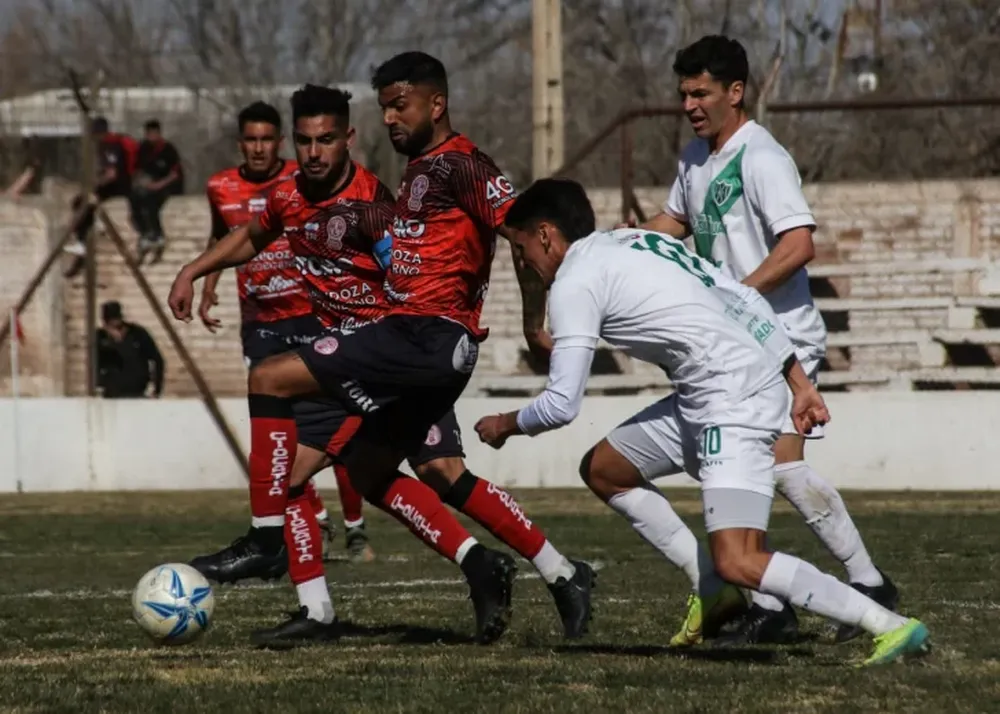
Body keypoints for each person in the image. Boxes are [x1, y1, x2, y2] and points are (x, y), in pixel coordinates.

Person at [168, 75, 592, 649]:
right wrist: (197, 268)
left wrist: (459, 322)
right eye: (305, 142)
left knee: (290, 430)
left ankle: (274, 550)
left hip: (383, 357)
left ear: (349, 139)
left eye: (326, 141)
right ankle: (527, 570)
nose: (313, 153)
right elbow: (252, 236)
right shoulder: (290, 196)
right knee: (389, 474)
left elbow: (415, 283)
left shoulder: (375, 207)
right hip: (348, 359)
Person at [476, 178, 931, 666]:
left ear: (545, 235)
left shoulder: (574, 282)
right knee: (606, 468)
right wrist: (799, 383)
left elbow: (562, 405)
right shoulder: (631, 240)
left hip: (730, 399)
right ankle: (714, 590)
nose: (521, 262)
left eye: (521, 249)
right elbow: (742, 298)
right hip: (713, 389)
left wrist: (506, 423)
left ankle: (889, 624)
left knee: (739, 558)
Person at [634, 35, 897, 644]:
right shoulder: (694, 158)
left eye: (700, 93)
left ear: (735, 92)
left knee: (778, 469)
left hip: (784, 339)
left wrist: (739, 294)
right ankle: (780, 605)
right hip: (735, 347)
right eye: (683, 94)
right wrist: (619, 246)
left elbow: (799, 244)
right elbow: (675, 224)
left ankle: (864, 584)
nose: (690, 105)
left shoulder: (762, 156)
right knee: (747, 474)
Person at [195, 100, 368, 569]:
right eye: (250, 139)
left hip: (309, 315)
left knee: (334, 424)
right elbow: (224, 236)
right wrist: (208, 286)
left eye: (266, 139)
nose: (257, 147)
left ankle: (355, 526)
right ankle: (309, 524)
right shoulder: (220, 187)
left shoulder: (302, 179)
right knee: (280, 439)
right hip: (261, 323)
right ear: (240, 143)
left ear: (279, 142)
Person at [65, 117, 138, 278]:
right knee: (84, 203)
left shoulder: (109, 145)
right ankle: (85, 238)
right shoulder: (113, 142)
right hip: (125, 184)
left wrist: (95, 185)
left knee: (80, 202)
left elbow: (112, 174)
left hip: (120, 185)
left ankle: (83, 241)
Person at [132, 119, 183, 264]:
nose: (151, 137)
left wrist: (159, 185)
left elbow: (174, 174)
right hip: (149, 183)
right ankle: (146, 234)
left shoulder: (168, 149)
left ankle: (157, 235)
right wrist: (143, 182)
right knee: (136, 200)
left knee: (151, 202)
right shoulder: (143, 148)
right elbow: (137, 169)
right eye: (149, 134)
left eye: (154, 133)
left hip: (167, 184)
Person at [96, 301, 163, 399]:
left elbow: (157, 360)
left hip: (137, 391)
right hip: (111, 393)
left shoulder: (137, 334)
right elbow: (95, 364)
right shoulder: (100, 337)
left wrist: (157, 389)